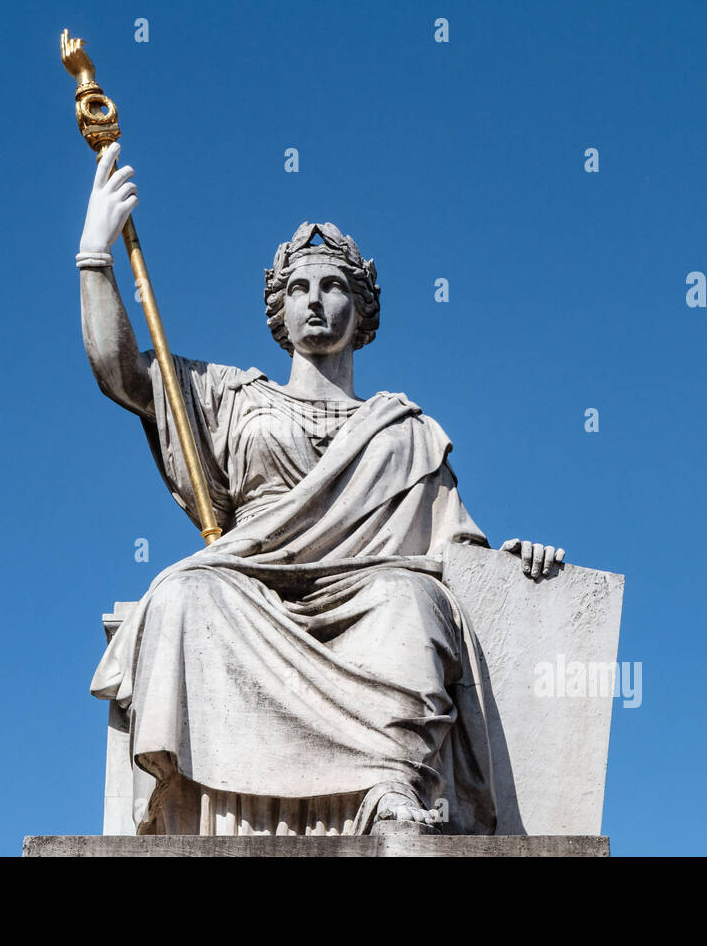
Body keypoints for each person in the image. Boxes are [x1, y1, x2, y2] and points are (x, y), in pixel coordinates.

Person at [78, 143, 564, 835]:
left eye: (332, 287)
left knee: (414, 598)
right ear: (278, 311)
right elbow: (120, 372)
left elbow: (456, 551)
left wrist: (516, 562)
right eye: (298, 289)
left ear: (360, 309)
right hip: (252, 585)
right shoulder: (230, 396)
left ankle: (390, 787)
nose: (315, 302)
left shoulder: (406, 430)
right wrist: (95, 254)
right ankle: (220, 799)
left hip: (370, 592)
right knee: (187, 593)